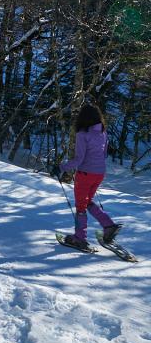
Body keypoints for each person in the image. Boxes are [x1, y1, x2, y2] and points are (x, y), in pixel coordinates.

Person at [54, 104, 122, 249]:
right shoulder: (103, 132)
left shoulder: (82, 134)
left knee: (81, 206)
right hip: (99, 173)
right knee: (88, 201)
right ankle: (108, 225)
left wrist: (60, 167)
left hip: (85, 174)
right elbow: (104, 155)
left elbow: (79, 159)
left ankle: (80, 237)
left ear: (82, 118)